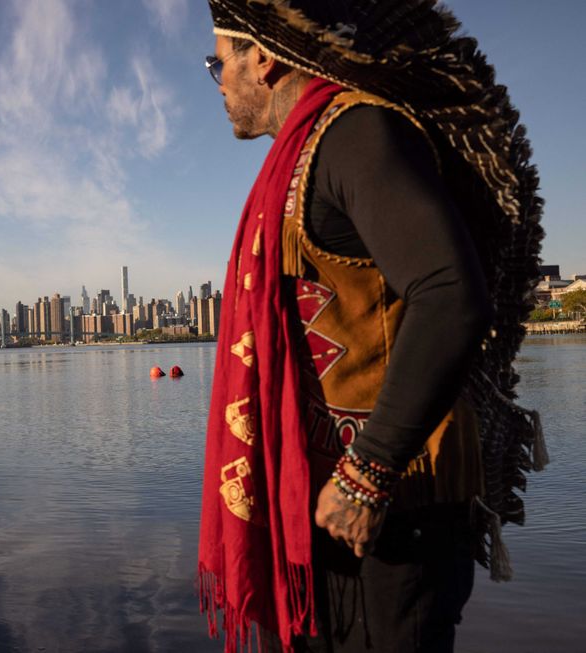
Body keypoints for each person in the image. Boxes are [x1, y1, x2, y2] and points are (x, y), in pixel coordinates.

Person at [197, 1, 547, 651]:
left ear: (263, 57)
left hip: (393, 509)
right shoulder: (303, 155)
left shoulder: (357, 134)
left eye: (220, 61)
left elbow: (449, 294)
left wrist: (369, 470)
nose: (217, 79)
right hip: (334, 504)